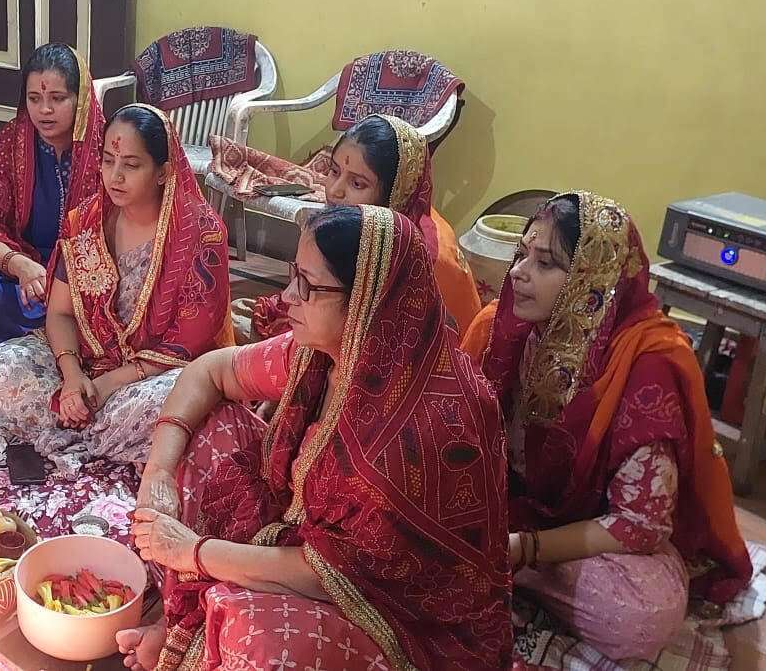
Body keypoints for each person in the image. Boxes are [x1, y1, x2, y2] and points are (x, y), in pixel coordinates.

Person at [121, 204, 510, 671]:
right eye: (293, 275)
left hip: (395, 616)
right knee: (205, 431)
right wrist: (158, 473)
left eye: (308, 284)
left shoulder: (423, 431)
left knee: (259, 636)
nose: (287, 297)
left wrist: (194, 552)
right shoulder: (328, 352)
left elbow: (334, 574)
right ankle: (180, 622)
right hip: (302, 542)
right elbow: (211, 370)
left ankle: (202, 621)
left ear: (366, 299)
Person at [460, 191, 752, 660]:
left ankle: (502, 572)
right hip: (506, 510)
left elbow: (639, 525)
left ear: (594, 282)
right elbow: (456, 435)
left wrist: (521, 549)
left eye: (545, 263)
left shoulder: (645, 365)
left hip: (591, 537)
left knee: (642, 615)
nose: (518, 273)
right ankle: (492, 566)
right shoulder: (501, 328)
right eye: (522, 254)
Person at [0, 104, 231, 463]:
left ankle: (77, 428)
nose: (115, 176)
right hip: (83, 362)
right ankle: (95, 434)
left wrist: (106, 385)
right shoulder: (86, 220)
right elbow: (60, 314)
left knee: (171, 408)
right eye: (107, 161)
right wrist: (72, 378)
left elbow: (189, 345)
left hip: (149, 377)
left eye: (131, 165)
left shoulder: (200, 235)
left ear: (163, 172)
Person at [226, 114, 482, 338]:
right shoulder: (369, 225)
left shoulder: (415, 259)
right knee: (235, 317)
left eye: (357, 184)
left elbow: (379, 349)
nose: (334, 191)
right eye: (334, 172)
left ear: (394, 194)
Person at [0, 43, 105, 344]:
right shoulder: (10, 143)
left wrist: (63, 279)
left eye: (57, 98)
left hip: (83, 274)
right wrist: (20, 265)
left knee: (90, 306)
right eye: (34, 98)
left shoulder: (105, 151)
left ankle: (46, 327)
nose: (44, 110)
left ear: (81, 99)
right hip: (22, 266)